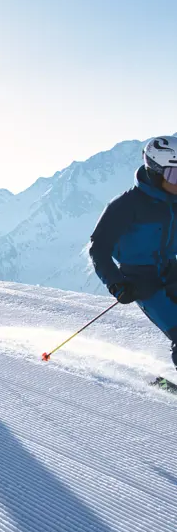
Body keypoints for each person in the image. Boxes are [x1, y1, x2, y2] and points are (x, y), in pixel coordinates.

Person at [89, 136, 177, 370]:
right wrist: (116, 283)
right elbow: (99, 248)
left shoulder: (174, 202)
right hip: (141, 281)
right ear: (156, 173)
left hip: (172, 271)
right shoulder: (126, 206)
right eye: (174, 175)